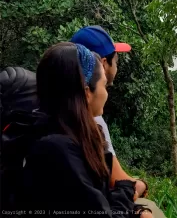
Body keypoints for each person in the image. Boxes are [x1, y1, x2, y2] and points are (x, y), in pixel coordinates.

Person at [17, 42, 151, 217]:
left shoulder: (69, 136)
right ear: (87, 93)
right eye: (104, 85)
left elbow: (93, 201)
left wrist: (136, 210)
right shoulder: (57, 150)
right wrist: (126, 189)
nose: (106, 93)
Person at [70, 26, 147, 191]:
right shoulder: (92, 120)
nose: (117, 66)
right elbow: (116, 181)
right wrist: (143, 185)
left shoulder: (59, 113)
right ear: (103, 63)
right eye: (116, 60)